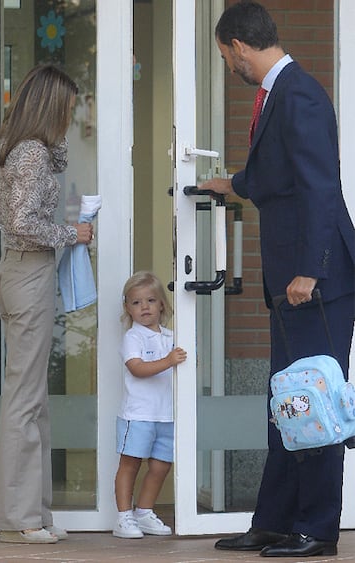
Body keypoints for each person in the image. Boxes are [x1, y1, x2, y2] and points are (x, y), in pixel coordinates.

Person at [201, 2, 355, 558]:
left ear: (240, 46)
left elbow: (320, 187)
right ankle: (275, 521)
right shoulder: (279, 95)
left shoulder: (301, 94)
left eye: (224, 56)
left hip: (314, 281)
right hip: (292, 279)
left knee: (313, 401)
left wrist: (310, 270)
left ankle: (317, 530)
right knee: (284, 403)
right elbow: (276, 175)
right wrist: (231, 183)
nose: (227, 66)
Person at [0, 64, 93, 544]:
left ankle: (36, 513)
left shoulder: (18, 144)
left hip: (21, 271)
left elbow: (60, 164)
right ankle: (19, 519)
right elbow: (25, 222)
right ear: (51, 105)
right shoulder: (29, 152)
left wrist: (56, 141)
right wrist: (75, 233)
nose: (71, 115)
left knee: (32, 399)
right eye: (67, 108)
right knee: (25, 400)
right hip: (28, 268)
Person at [113, 271, 187, 539]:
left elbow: (185, 366)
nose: (144, 307)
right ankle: (123, 517)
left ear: (162, 305)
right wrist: (169, 361)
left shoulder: (172, 336)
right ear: (127, 308)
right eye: (136, 302)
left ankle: (144, 512)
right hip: (139, 414)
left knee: (160, 466)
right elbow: (137, 369)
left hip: (166, 415)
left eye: (150, 300)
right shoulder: (133, 337)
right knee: (130, 463)